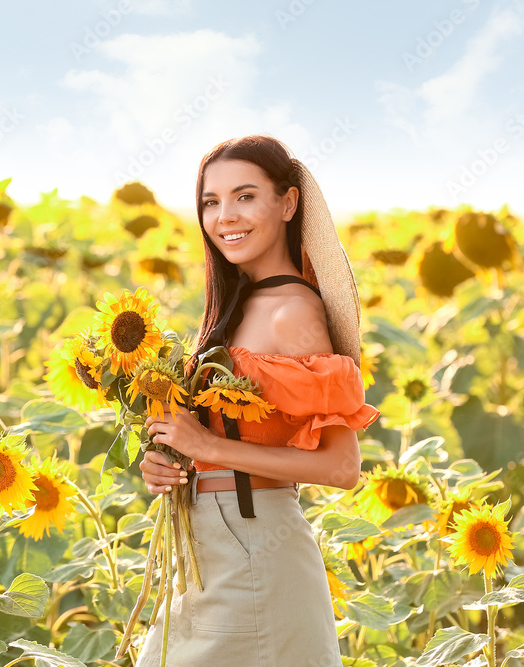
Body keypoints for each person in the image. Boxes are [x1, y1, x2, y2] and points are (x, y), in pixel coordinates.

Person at [135, 134, 380, 666]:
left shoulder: (292, 312)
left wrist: (209, 447)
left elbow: (341, 466)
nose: (226, 216)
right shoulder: (236, 306)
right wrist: (174, 463)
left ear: (287, 203)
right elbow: (225, 437)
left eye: (245, 196)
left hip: (254, 545)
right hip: (208, 543)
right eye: (211, 201)